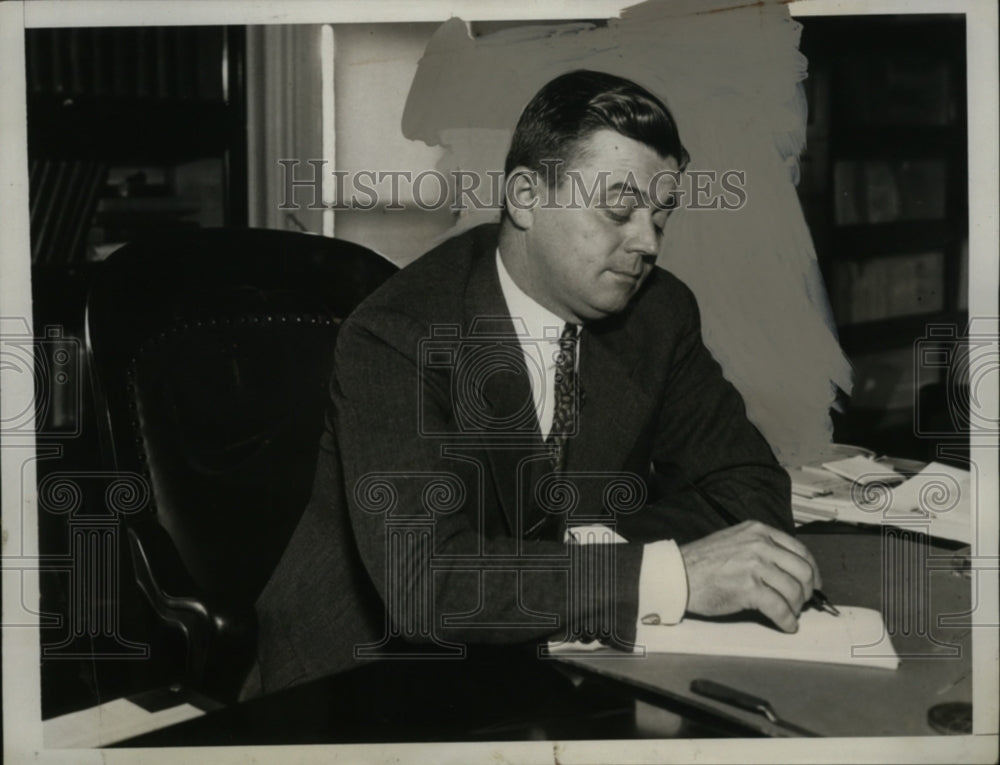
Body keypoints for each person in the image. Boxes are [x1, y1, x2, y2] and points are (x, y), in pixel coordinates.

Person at [246, 70, 821, 698]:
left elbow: (751, 488)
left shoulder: (660, 314)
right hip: (363, 681)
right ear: (524, 197)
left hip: (548, 658)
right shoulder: (398, 332)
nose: (648, 241)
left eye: (661, 215)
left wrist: (583, 551)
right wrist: (669, 575)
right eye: (619, 210)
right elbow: (428, 582)